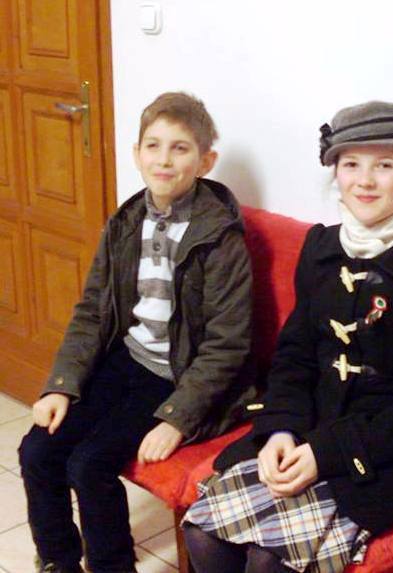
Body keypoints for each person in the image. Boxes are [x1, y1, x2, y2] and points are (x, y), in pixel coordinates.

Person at [182, 101, 393, 573]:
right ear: (336, 173)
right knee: (202, 535)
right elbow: (295, 356)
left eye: (385, 165)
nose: (365, 181)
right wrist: (280, 429)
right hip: (308, 425)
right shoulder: (322, 248)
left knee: (268, 562)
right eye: (351, 165)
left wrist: (325, 454)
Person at [18, 92, 255, 573]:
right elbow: (92, 311)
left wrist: (177, 418)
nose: (164, 159)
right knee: (37, 450)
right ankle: (58, 560)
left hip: (177, 376)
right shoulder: (127, 222)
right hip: (126, 359)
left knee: (89, 464)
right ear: (136, 153)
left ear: (205, 161)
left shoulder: (221, 237)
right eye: (153, 145)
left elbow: (226, 346)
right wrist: (62, 384)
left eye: (180, 148)